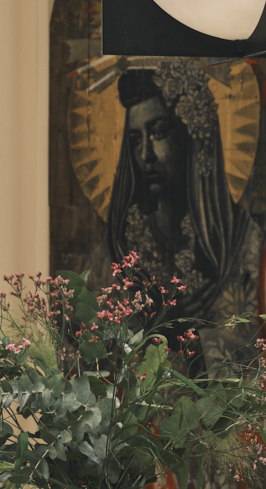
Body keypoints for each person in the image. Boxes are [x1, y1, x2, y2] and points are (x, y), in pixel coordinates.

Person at [104, 61, 250, 327]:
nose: (146, 155)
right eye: (136, 140)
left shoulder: (243, 240)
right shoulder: (118, 249)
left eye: (158, 133)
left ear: (191, 136)